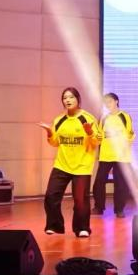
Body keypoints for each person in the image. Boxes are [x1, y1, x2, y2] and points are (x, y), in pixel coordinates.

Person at [38, 87, 102, 238]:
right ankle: (55, 225)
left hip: (81, 166)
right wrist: (49, 132)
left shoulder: (87, 118)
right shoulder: (59, 120)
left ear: (78, 99)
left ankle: (82, 228)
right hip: (62, 165)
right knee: (51, 195)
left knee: (80, 200)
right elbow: (55, 143)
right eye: (65, 98)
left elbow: (96, 142)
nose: (68, 100)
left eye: (71, 97)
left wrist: (90, 132)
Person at [93, 92, 136, 218]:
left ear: (116, 101)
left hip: (121, 157)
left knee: (120, 184)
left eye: (110, 101)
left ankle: (119, 209)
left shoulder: (125, 116)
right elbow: (99, 136)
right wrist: (95, 136)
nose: (108, 104)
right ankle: (99, 207)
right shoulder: (104, 118)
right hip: (106, 155)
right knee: (99, 182)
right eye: (106, 102)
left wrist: (124, 150)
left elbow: (130, 135)